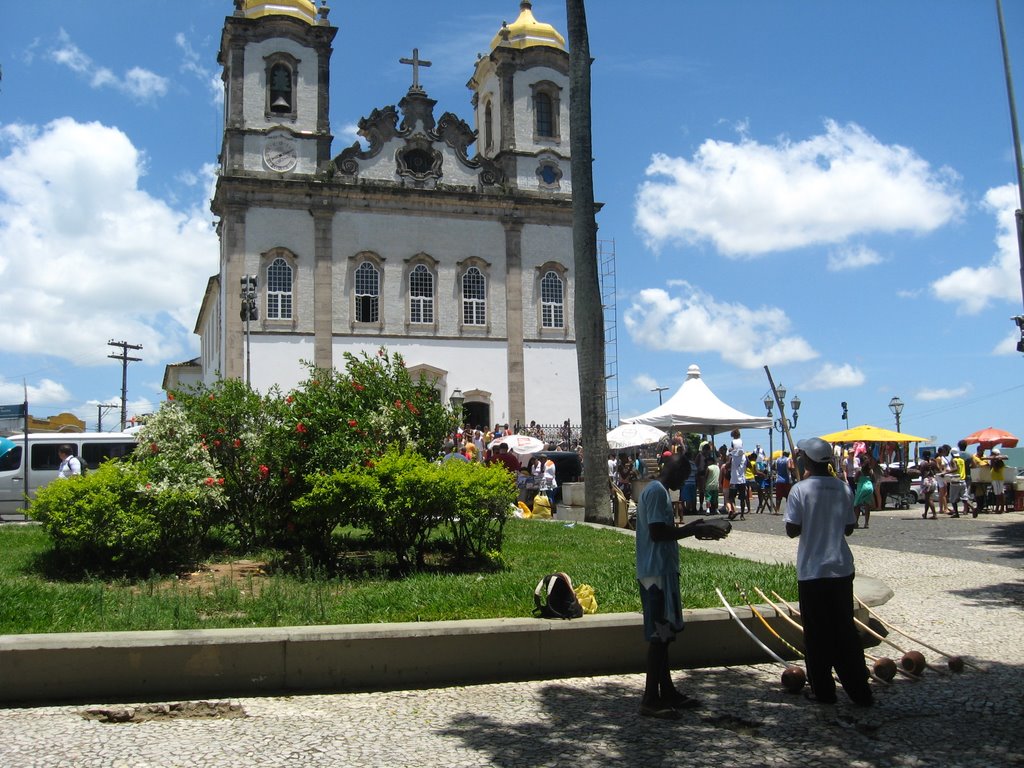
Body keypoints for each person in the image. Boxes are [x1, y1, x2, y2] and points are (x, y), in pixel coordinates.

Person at [635, 453, 730, 719]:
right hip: (655, 575)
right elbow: (657, 533)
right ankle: (650, 699)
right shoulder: (656, 492)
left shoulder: (661, 491)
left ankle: (667, 691)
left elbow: (663, 530)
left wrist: (696, 528)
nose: (685, 481)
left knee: (665, 637)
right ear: (674, 472)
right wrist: (693, 529)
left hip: (663, 570)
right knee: (659, 637)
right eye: (684, 475)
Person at [784, 437, 872, 707]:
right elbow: (849, 527)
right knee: (844, 629)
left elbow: (791, 529)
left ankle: (823, 690)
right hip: (841, 568)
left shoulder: (799, 490)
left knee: (816, 633)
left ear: (808, 460)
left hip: (813, 571)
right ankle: (859, 690)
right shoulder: (843, 488)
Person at [853, 454, 875, 529]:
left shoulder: (860, 470)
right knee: (867, 506)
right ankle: (866, 523)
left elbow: (855, 480)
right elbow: (874, 479)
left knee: (857, 505)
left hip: (862, 487)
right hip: (869, 487)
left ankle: (856, 522)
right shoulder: (871, 471)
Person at [774, 451, 794, 515]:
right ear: (788, 454)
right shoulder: (788, 459)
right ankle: (788, 510)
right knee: (788, 496)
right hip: (787, 480)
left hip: (778, 480)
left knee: (778, 496)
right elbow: (790, 467)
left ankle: (777, 510)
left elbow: (773, 467)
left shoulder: (777, 460)